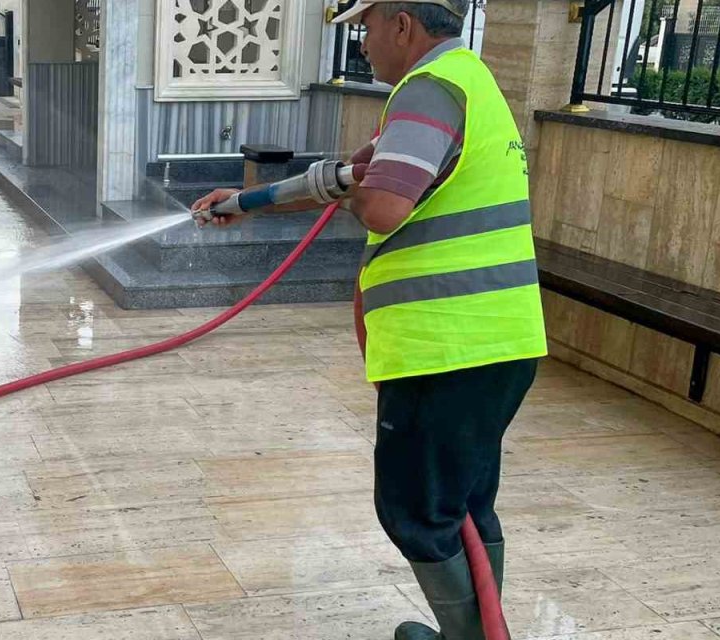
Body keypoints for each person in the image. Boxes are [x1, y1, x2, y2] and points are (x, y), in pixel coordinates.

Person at [191, 1, 547, 638]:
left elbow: (379, 202)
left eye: (366, 28)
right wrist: (246, 202)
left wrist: (360, 185)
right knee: (463, 499)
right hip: (500, 338)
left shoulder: (427, 90)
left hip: (446, 345)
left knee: (416, 508)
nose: (363, 44)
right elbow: (352, 174)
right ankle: (479, 631)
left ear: (402, 24)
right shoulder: (467, 78)